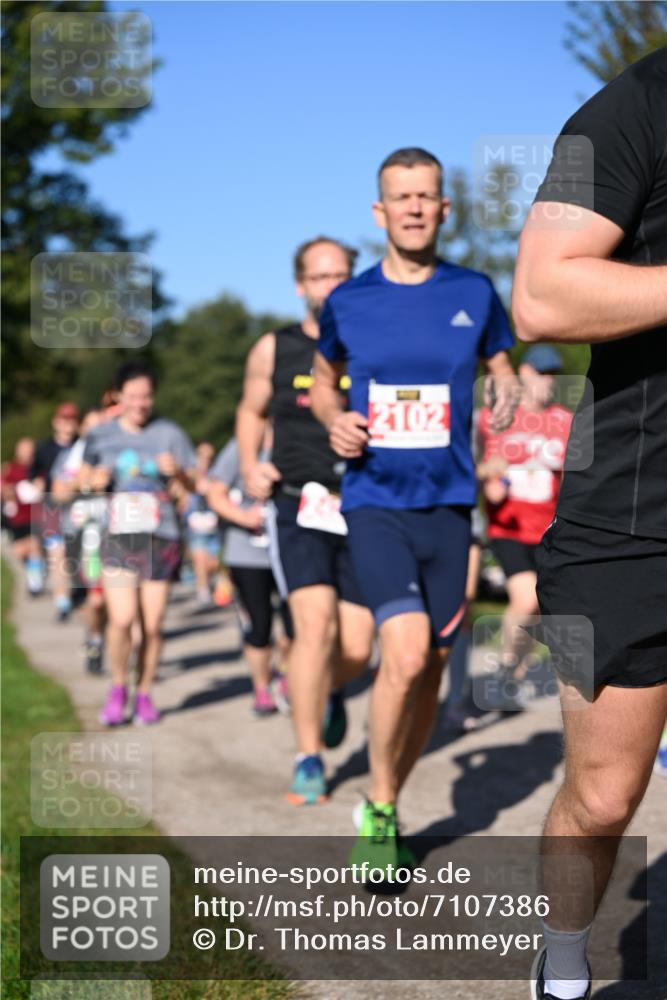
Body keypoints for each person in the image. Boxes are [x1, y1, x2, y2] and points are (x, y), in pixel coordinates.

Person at [311, 147, 519, 871]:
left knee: (430, 663)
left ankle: (389, 792)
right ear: (380, 212)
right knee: (400, 653)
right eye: (400, 197)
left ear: (442, 209)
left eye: (425, 196)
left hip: (448, 507)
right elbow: (322, 377)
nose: (413, 207)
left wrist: (505, 384)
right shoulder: (349, 301)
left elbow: (499, 359)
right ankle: (378, 806)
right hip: (374, 501)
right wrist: (333, 416)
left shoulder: (476, 291)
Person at [512, 49, 667, 1000]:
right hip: (634, 515)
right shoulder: (623, 111)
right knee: (606, 796)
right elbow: (542, 294)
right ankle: (563, 965)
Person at [236, 236, 375, 804]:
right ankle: (308, 757)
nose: (331, 286)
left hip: (363, 503)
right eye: (320, 277)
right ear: (300, 285)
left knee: (359, 648)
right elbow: (250, 410)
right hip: (296, 504)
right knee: (312, 628)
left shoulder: (370, 342)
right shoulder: (275, 348)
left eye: (341, 275)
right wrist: (250, 464)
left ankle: (325, 693)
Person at [82, 361, 197, 725]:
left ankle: (144, 692)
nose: (141, 403)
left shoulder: (170, 434)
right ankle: (118, 687)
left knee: (153, 624)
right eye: (133, 396)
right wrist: (93, 482)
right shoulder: (100, 436)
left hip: (162, 536)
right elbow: (79, 480)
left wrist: (177, 473)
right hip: (120, 535)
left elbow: (195, 483)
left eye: (146, 396)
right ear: (117, 396)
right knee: (122, 619)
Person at [477, 345, 572, 704]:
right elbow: (481, 468)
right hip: (509, 527)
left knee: (537, 610)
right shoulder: (497, 418)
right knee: (527, 598)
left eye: (554, 375)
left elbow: (572, 479)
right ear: (523, 374)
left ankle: (513, 677)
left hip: (548, 530)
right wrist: (490, 478)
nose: (548, 382)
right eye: (541, 373)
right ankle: (504, 665)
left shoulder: (565, 422)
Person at [208, 437, 292, 716]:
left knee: (297, 628)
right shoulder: (241, 447)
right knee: (259, 627)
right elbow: (214, 493)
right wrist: (245, 518)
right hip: (246, 555)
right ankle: (262, 689)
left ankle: (287, 677)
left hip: (292, 551)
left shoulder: (295, 438)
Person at [51, 409, 108, 674]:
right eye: (91, 426)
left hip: (121, 535)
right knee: (95, 599)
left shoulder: (117, 451)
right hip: (85, 536)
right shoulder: (70, 456)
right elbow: (58, 493)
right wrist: (83, 482)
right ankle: (95, 638)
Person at [31, 401, 80, 620]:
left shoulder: (83, 445)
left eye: (72, 420)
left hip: (80, 508)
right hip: (53, 509)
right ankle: (62, 601)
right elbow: (33, 474)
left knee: (77, 557)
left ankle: (80, 593)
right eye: (64, 419)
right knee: (57, 555)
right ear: (56, 422)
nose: (67, 424)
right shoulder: (44, 448)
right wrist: (37, 484)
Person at [1, 438, 44, 595]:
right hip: (18, 517)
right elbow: (5, 488)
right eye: (23, 449)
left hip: (36, 515)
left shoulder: (39, 467)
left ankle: (35, 584)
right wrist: (9, 492)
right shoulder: (11, 468)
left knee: (34, 546)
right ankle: (36, 569)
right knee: (20, 550)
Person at [182, 441, 221, 608]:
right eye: (202, 456)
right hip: (195, 529)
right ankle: (203, 590)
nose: (206, 460)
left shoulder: (218, 474)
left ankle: (204, 579)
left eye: (209, 457)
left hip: (214, 527)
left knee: (213, 563)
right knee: (200, 560)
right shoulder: (189, 475)